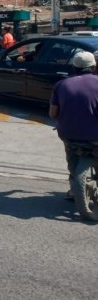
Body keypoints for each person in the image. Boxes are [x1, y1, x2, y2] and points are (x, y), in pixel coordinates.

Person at [49, 51, 98, 199]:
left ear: (74, 67)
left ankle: (74, 188)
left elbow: (52, 113)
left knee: (72, 155)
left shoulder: (61, 85)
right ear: (94, 66)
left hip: (69, 135)